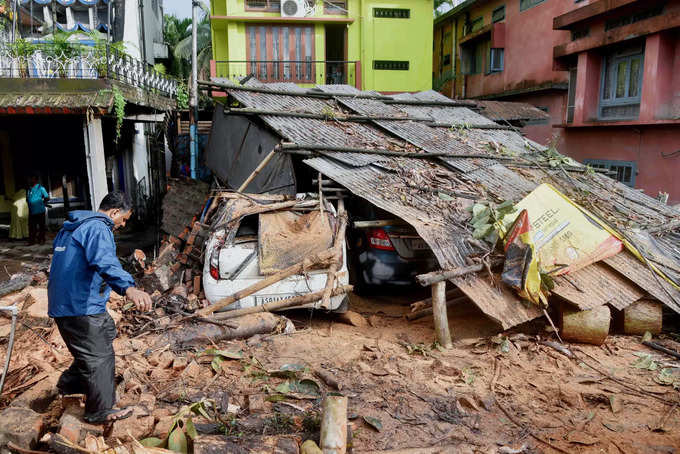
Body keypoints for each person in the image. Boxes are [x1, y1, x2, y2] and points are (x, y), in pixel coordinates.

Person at [47, 191, 152, 424]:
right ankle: (100, 411)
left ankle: (68, 385)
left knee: (98, 340)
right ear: (114, 212)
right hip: (81, 305)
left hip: (62, 304)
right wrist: (130, 289)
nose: (122, 225)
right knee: (99, 357)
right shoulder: (98, 227)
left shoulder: (71, 227)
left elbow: (86, 261)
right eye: (123, 219)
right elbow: (104, 261)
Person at [26, 174, 50, 245]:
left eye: (32, 179)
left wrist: (42, 202)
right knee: (32, 227)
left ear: (36, 180)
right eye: (30, 179)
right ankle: (31, 241)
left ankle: (41, 239)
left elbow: (47, 197)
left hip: (40, 210)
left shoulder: (41, 188)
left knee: (41, 226)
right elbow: (28, 199)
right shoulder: (29, 189)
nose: (30, 180)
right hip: (31, 211)